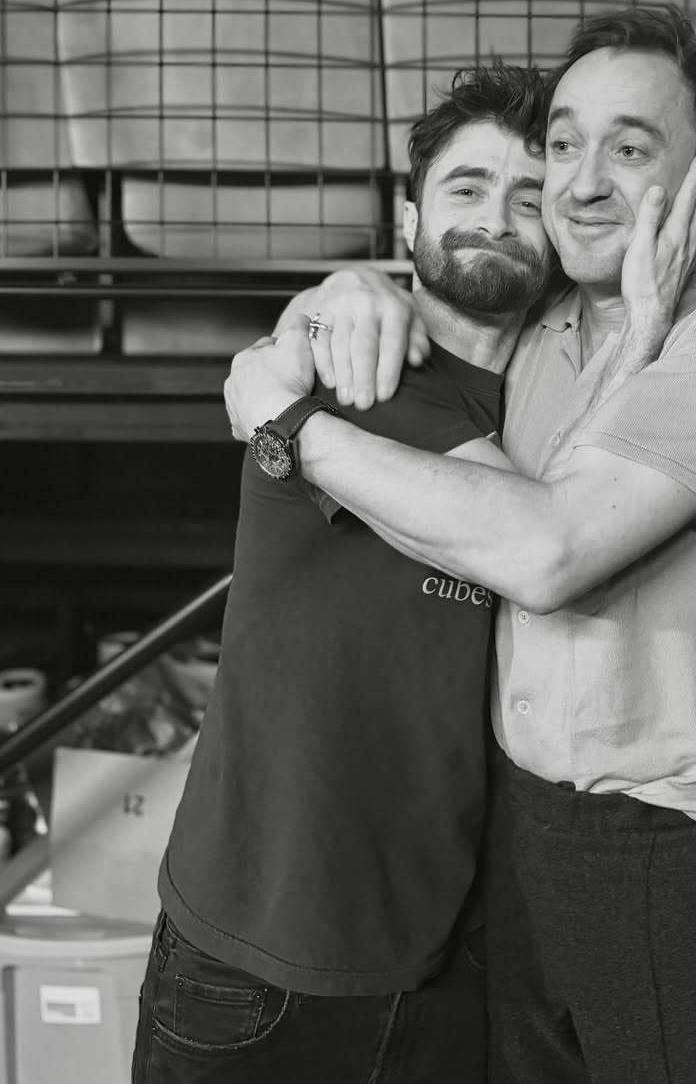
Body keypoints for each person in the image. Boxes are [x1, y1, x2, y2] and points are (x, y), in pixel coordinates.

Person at [227, 4, 696, 1083]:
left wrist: (289, 429)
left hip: (674, 840)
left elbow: (552, 554)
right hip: (521, 833)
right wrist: (332, 296)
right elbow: (427, 289)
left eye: (630, 150)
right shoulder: (539, 329)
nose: (580, 182)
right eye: (563, 143)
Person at [132, 64, 558, 1084]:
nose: (495, 218)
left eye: (529, 197)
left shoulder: (550, 403)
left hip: (443, 959)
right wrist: (332, 298)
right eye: (467, 188)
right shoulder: (345, 369)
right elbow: (540, 541)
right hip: (255, 963)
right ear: (410, 218)